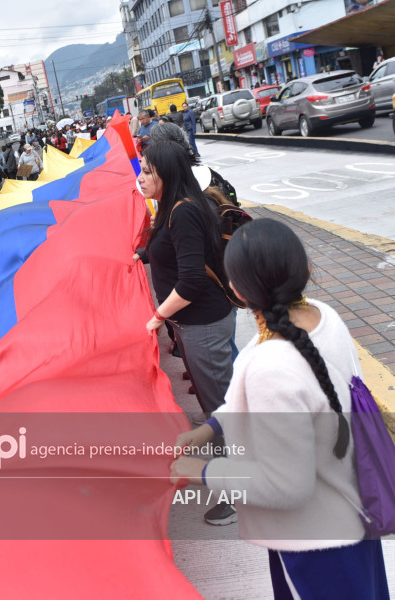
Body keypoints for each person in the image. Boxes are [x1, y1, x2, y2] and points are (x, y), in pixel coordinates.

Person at [170, 218, 390, 599]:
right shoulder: (324, 318)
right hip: (351, 511)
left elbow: (286, 487)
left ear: (236, 289)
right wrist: (209, 429)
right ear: (304, 270)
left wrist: (203, 471)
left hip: (313, 543)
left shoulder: (271, 363)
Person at [132, 140, 235, 525]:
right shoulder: (173, 207)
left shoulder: (183, 213)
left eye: (148, 172)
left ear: (168, 175)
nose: (141, 178)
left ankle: (238, 496)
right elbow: (169, 251)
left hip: (204, 325)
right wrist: (141, 256)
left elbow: (191, 281)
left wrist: (157, 316)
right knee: (218, 405)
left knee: (221, 410)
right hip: (198, 324)